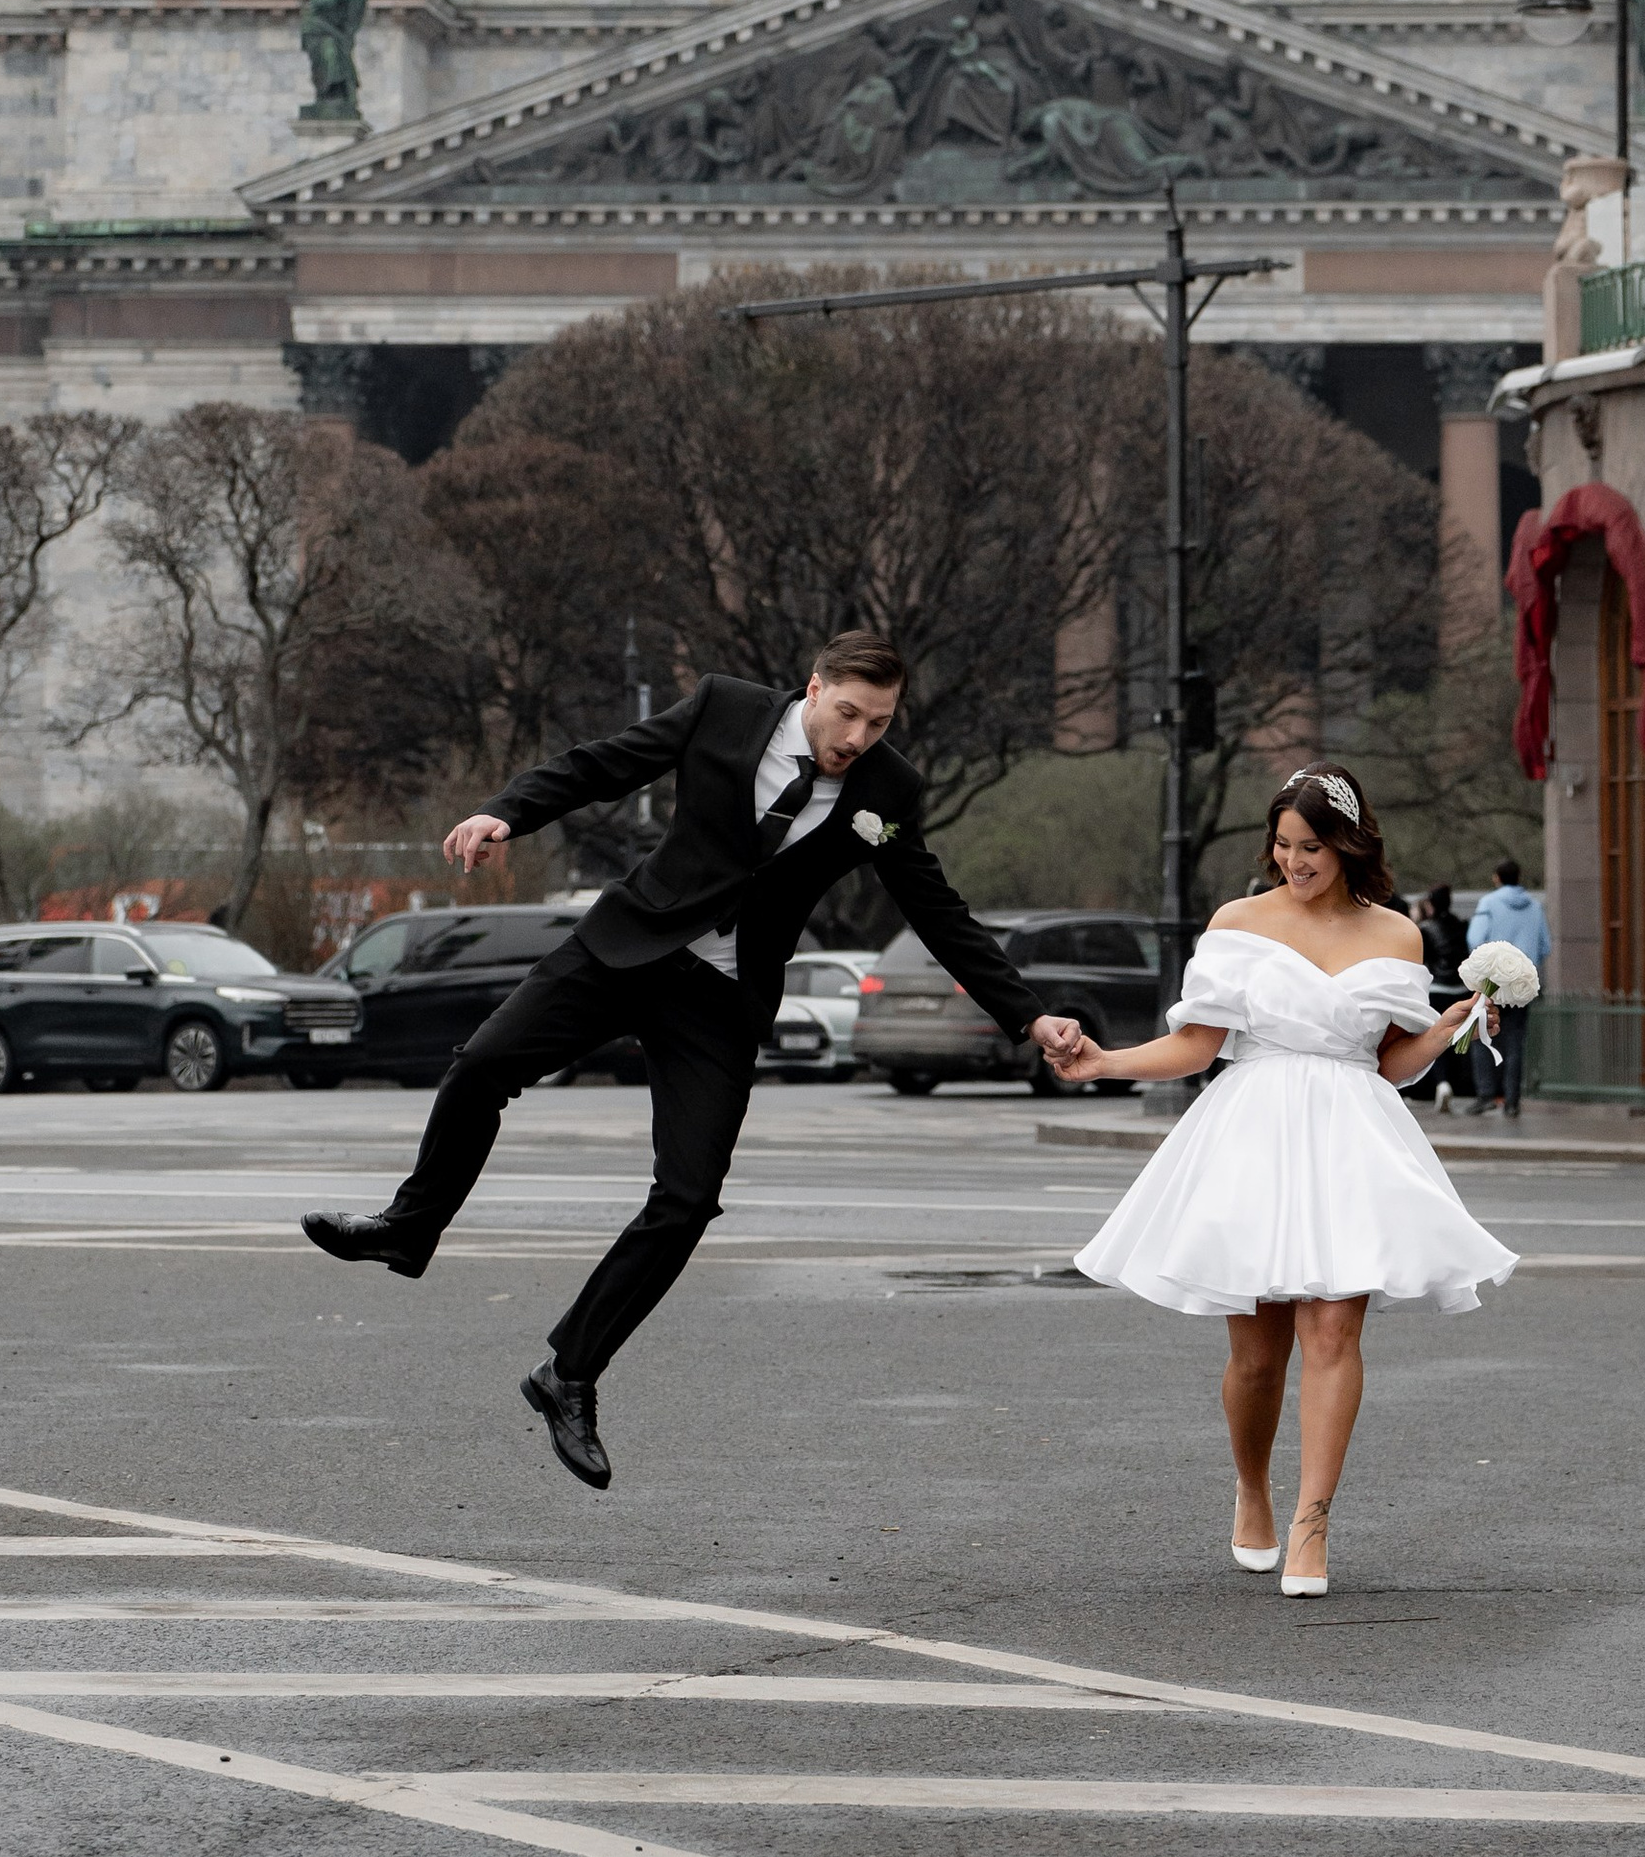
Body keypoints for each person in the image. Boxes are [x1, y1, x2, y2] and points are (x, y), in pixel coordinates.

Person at [300, 634, 1084, 1487]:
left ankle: (568, 1375)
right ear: (814, 689)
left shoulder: (889, 791)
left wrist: (1029, 1016)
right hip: (627, 944)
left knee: (687, 1199)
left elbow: (937, 908)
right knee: (482, 1065)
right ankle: (410, 1227)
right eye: (848, 713)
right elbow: (604, 763)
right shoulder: (726, 707)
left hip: (720, 997)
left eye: (880, 722)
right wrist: (508, 811)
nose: (857, 737)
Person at [1057, 767, 1516, 1596]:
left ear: (1348, 845)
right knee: (1258, 1355)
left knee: (1335, 1330)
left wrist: (1445, 1027)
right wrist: (1104, 1064)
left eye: (1311, 848)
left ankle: (1314, 1523)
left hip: (1350, 1136)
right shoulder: (1239, 922)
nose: (1294, 863)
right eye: (1283, 845)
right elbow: (1197, 1046)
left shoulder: (1397, 935)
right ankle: (1252, 1487)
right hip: (1254, 1136)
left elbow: (1391, 1063)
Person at [1461, 858, 1549, 1123]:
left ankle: (1486, 1094)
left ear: (1496, 877)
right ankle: (1512, 1100)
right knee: (1515, 1043)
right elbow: (1546, 945)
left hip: (1492, 984)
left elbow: (1475, 939)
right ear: (1519, 876)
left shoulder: (1488, 904)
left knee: (1482, 1037)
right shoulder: (1535, 907)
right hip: (1522, 985)